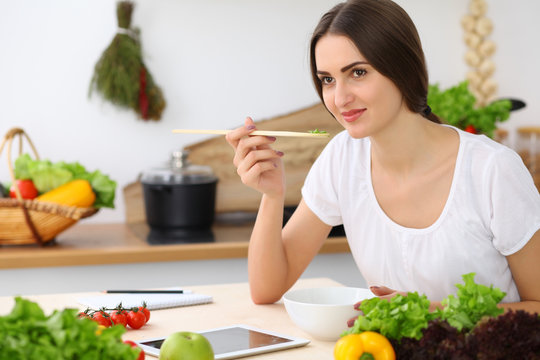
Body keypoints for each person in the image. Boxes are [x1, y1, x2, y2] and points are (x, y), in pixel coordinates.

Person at [225, 0, 540, 314]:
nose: (340, 98)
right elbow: (266, 289)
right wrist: (272, 194)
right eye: (327, 79)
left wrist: (431, 312)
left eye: (358, 72)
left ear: (403, 69)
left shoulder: (492, 171)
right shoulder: (342, 158)